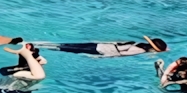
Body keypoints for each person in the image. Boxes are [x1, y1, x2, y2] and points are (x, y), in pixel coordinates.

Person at [34, 36, 167, 57]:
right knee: (67, 49)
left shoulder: (136, 42)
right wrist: (100, 58)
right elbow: (119, 55)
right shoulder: (138, 50)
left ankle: (40, 43)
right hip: (100, 50)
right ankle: (44, 47)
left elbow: (116, 42)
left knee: (66, 45)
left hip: (99, 44)